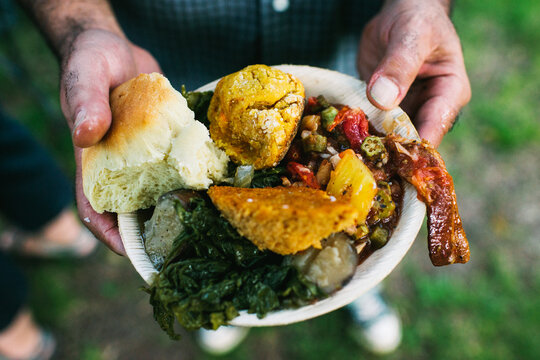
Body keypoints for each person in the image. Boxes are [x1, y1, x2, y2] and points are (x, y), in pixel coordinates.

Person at [16, 0, 471, 355]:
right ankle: (236, 310)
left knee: (347, 250)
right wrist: (83, 27)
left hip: (355, 59)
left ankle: (354, 289)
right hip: (173, 79)